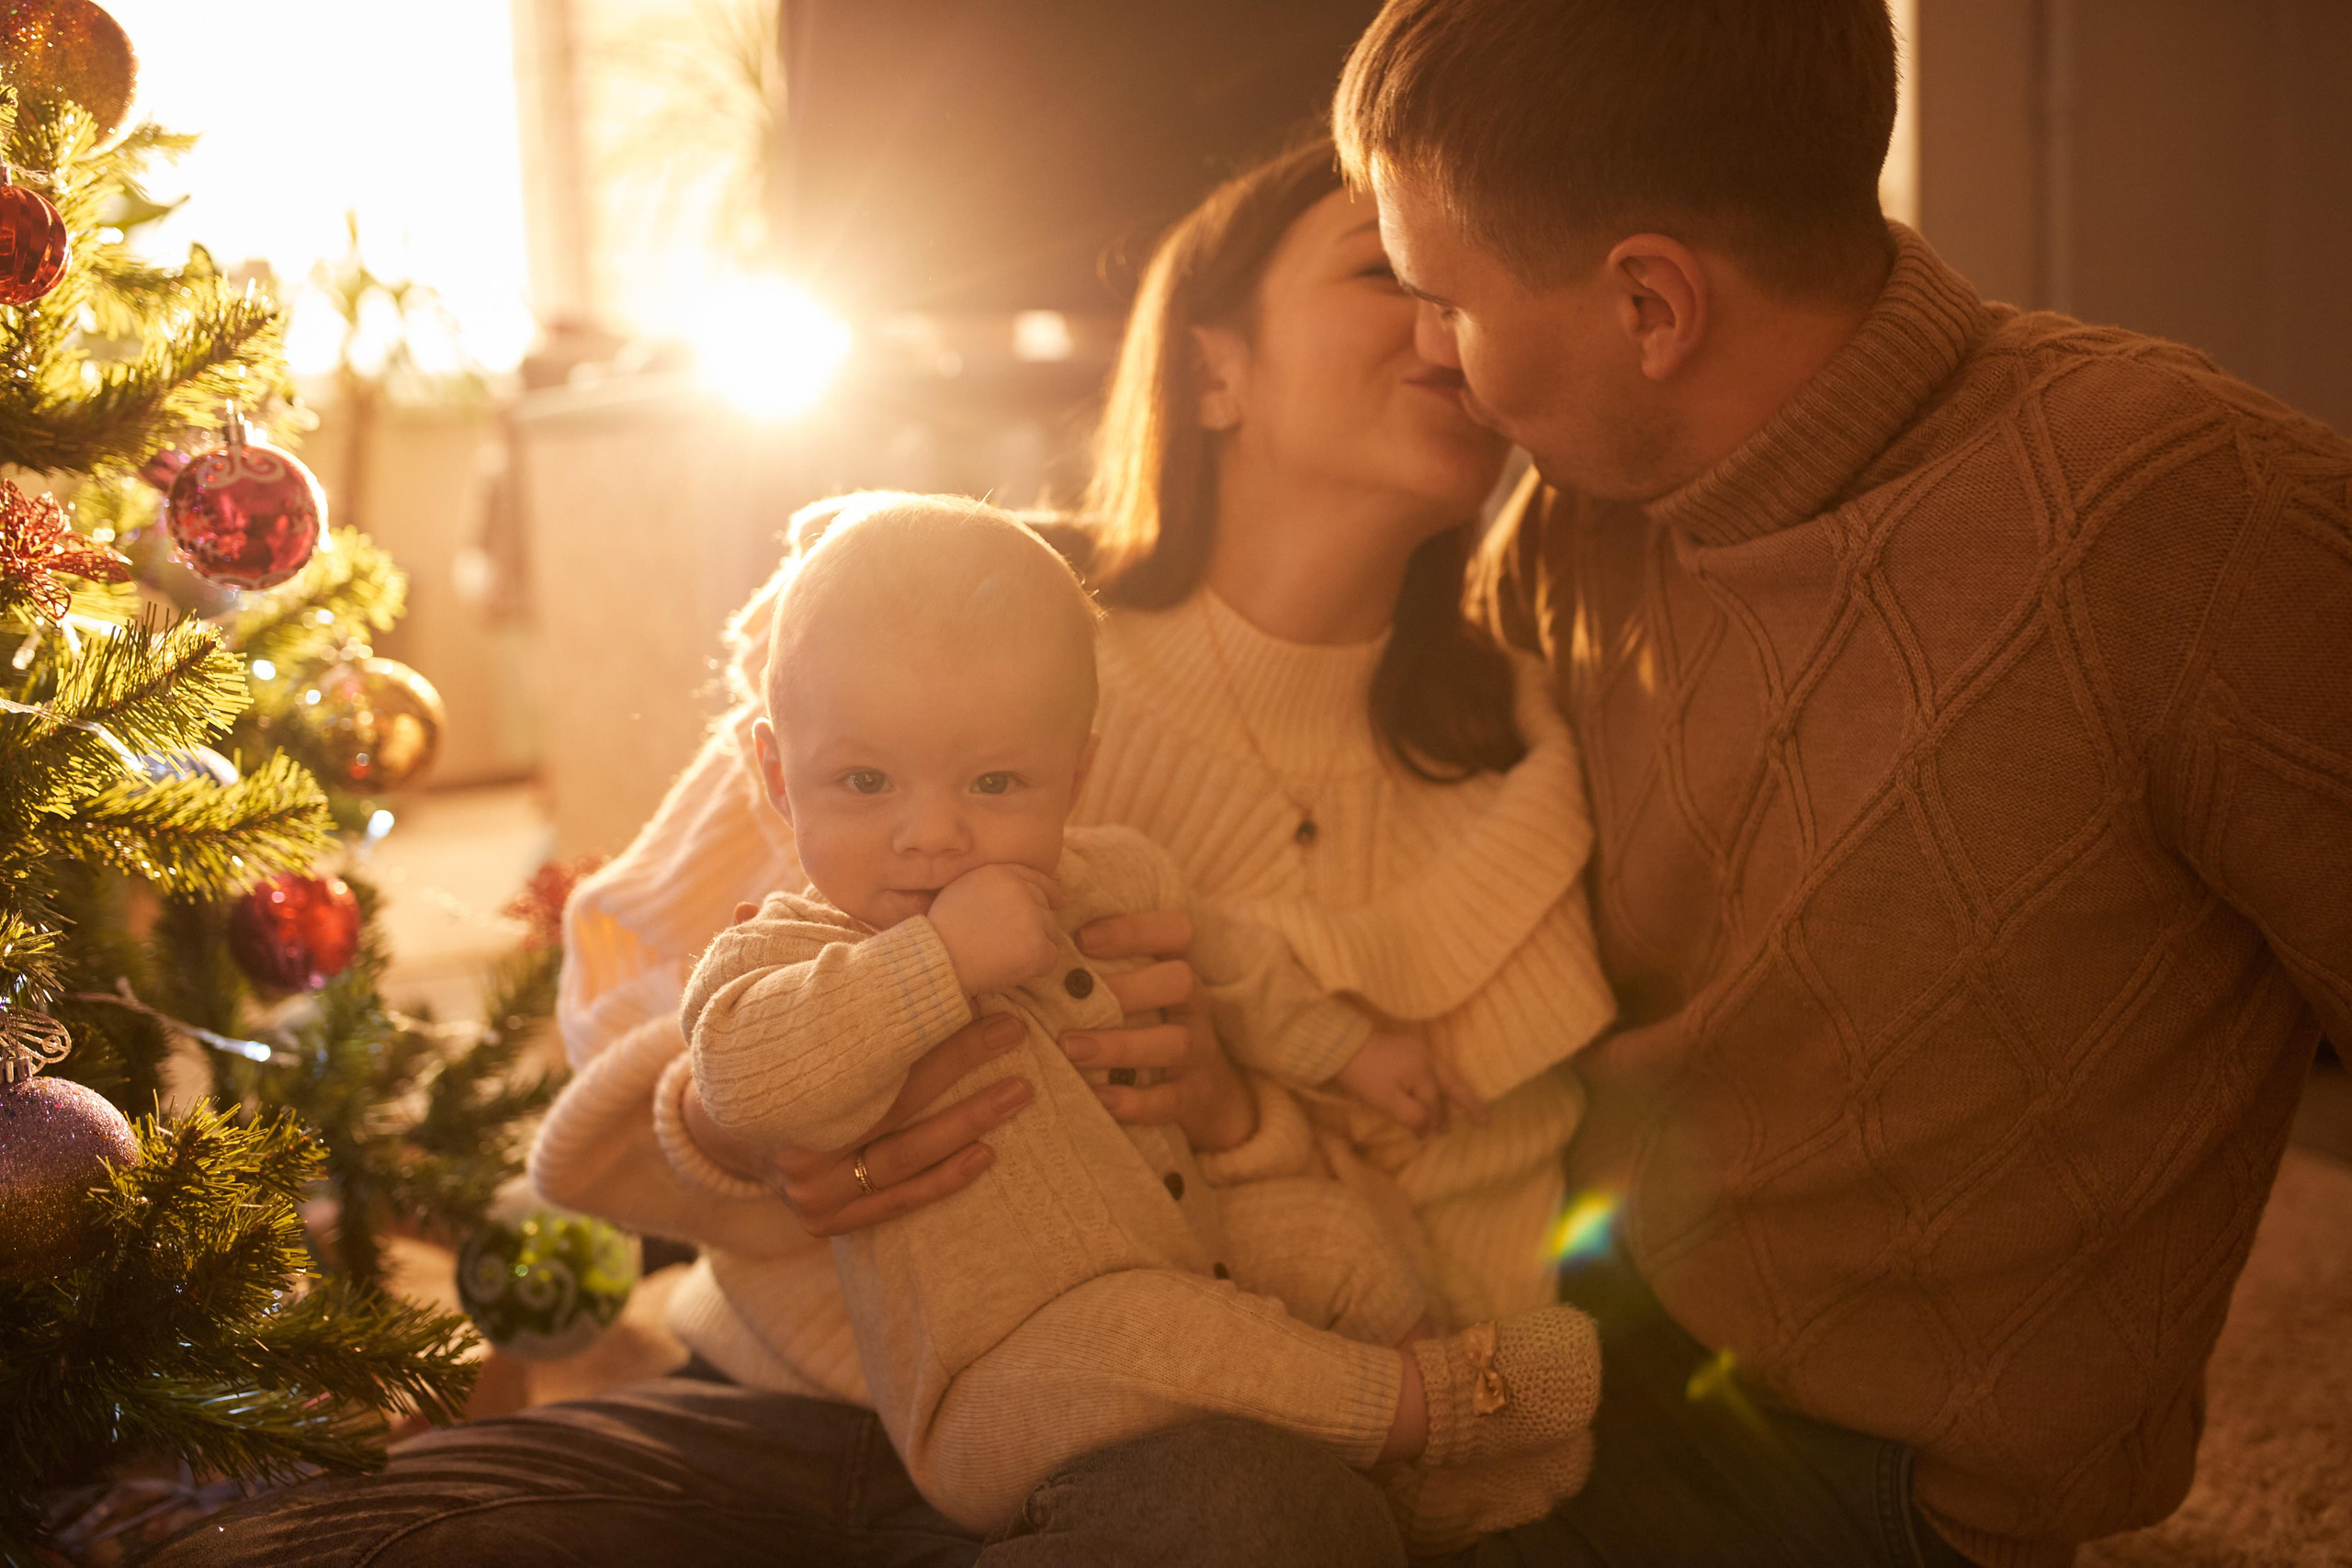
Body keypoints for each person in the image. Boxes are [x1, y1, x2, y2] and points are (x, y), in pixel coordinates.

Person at [150, 136, 1615, 1567]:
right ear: (1211, 363)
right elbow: (621, 978)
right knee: (317, 1535)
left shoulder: (1508, 770)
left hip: (1150, 1436)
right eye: (1391, 267)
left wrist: (1238, 1111)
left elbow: (1465, 1298)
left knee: (1268, 1525)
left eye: (1472, 281)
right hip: (778, 1398)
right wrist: (763, 1133)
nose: (1448, 323)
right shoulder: (939, 598)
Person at [1331, 1, 2352, 1565]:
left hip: (1857, 1472)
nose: (1425, 350)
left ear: (1651, 302)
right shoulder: (1572, 520)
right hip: (1554, 1291)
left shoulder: (2184, 512)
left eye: (1445, 298)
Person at [681, 492, 1596, 1543]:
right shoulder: (783, 951)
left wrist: (1353, 1051)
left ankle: (1450, 1490)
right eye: (865, 781)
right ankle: (1424, 1405)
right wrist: (938, 960)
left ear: (1075, 776)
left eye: (992, 782)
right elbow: (741, 1075)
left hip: (1186, 1248)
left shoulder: (1114, 877)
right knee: (1149, 1329)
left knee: (1332, 1235)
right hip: (998, 1386)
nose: (931, 835)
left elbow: (1242, 973)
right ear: (776, 778)